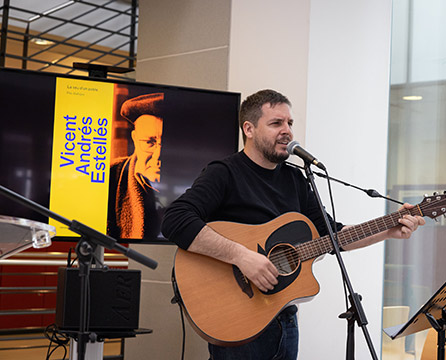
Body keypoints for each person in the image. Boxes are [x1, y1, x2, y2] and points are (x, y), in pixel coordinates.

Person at [161, 89, 425, 360]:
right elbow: (175, 219)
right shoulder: (225, 172)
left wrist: (388, 230)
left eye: (290, 123)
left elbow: (331, 235)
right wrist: (241, 256)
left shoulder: (296, 179)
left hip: (283, 317)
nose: (287, 131)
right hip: (236, 321)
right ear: (249, 129)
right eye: (276, 123)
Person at [108, 92, 164, 240]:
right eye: (149, 143)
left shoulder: (201, 182)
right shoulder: (111, 176)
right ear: (134, 139)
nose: (158, 156)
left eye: (166, 144)